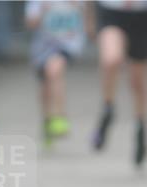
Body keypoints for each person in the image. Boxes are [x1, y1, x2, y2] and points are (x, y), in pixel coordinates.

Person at [89, 0, 147, 167]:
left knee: (138, 81)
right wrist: (89, 18)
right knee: (111, 60)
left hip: (141, 14)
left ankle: (140, 126)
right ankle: (108, 107)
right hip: (112, 10)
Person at [24, 1, 87, 145]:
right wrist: (43, 11)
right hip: (43, 47)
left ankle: (60, 117)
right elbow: (30, 23)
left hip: (67, 45)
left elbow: (85, 16)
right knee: (45, 86)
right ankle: (47, 120)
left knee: (54, 70)